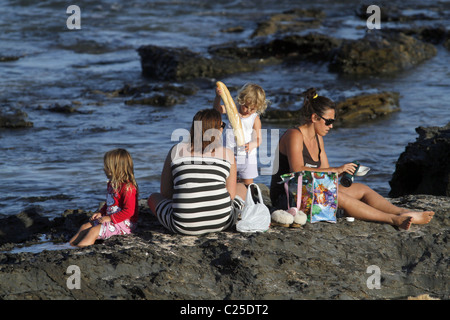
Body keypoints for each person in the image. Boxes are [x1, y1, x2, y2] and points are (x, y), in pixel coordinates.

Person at [270, 88, 434, 230]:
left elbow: (326, 176)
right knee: (335, 196)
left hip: (310, 190)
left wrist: (344, 173)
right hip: (289, 198)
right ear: (314, 118)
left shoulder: (318, 138)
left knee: (361, 189)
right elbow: (297, 171)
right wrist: (336, 169)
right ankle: (393, 219)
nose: (331, 126)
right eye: (329, 121)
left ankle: (401, 212)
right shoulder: (294, 135)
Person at [148, 109, 247, 236]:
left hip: (182, 225)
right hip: (222, 222)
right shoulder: (227, 153)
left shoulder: (176, 150)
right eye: (222, 125)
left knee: (153, 197)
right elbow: (231, 195)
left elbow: (165, 192)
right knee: (242, 187)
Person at [70, 148, 139, 247]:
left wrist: (110, 218)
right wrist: (101, 212)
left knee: (93, 231)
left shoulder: (128, 188)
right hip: (111, 219)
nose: (104, 169)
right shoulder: (112, 184)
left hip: (124, 223)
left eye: (107, 167)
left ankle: (79, 250)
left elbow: (129, 211)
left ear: (116, 169)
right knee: (84, 227)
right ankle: (69, 246)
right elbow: (110, 203)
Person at [213, 83, 268, 186]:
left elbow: (259, 139)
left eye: (253, 109)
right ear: (241, 100)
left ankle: (247, 198)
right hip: (229, 153)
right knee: (226, 181)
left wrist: (252, 144)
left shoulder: (254, 118)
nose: (248, 111)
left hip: (247, 156)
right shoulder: (233, 110)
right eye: (246, 106)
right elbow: (217, 110)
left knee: (248, 184)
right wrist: (217, 97)